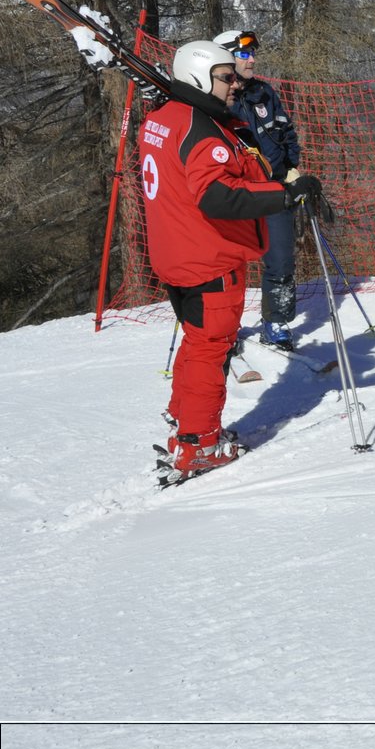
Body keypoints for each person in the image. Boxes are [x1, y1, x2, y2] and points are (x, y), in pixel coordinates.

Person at [139, 39, 324, 483]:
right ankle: (198, 443)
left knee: (197, 340)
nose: (235, 85)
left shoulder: (166, 116)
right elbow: (218, 195)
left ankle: (184, 421)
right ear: (201, 77)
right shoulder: (201, 128)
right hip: (208, 256)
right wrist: (286, 193)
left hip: (174, 252)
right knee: (210, 347)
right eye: (226, 77)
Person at [215, 29, 303, 350]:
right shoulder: (218, 99)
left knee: (280, 258)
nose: (252, 59)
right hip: (236, 192)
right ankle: (223, 327)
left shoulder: (264, 92)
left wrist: (291, 166)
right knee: (228, 263)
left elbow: (286, 131)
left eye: (253, 53)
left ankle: (275, 321)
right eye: (244, 54)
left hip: (273, 188)